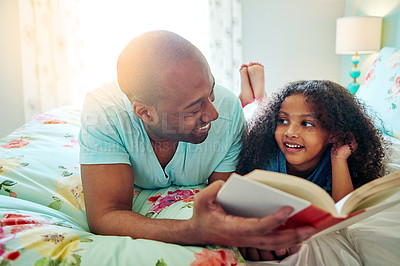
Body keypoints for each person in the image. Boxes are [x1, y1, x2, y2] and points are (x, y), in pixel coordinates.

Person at [79, 30, 315, 260]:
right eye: (193, 108)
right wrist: (189, 231)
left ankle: (252, 98)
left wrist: (248, 233)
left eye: (210, 92)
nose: (213, 113)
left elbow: (226, 201)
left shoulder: (228, 110)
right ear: (145, 113)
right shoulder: (104, 114)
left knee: (253, 115)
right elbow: (106, 214)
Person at [237, 80, 386, 202]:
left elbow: (343, 210)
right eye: (282, 120)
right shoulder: (266, 159)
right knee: (250, 114)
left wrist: (339, 158)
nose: (290, 133)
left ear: (334, 133)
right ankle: (254, 97)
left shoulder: (333, 161)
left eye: (307, 124)